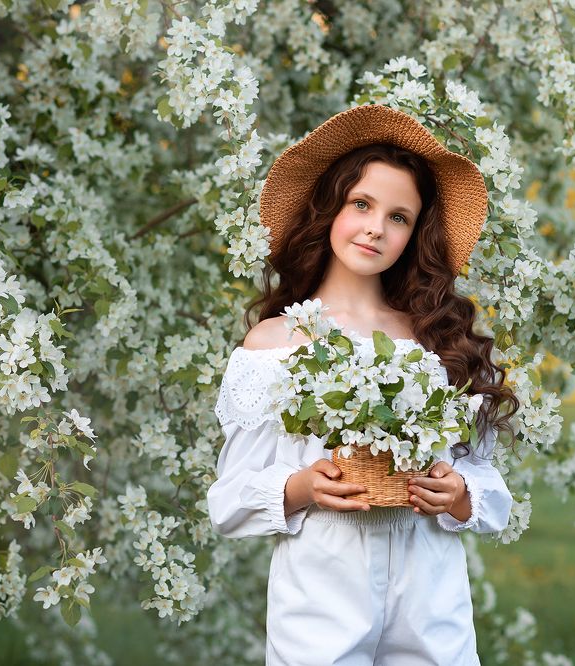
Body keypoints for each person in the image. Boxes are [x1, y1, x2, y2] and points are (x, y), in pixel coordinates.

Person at [207, 104, 521, 665]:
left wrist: (460, 496)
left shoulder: (432, 340)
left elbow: (483, 477)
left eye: (399, 217)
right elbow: (230, 499)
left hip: (429, 585)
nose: (377, 226)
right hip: (323, 582)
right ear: (330, 210)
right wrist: (302, 487)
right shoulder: (277, 344)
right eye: (362, 204)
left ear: (415, 236)